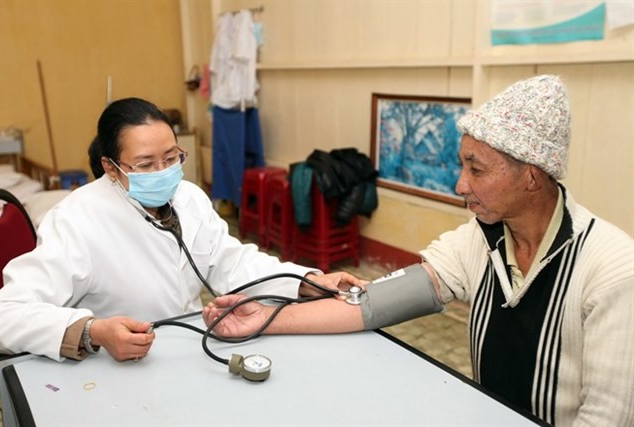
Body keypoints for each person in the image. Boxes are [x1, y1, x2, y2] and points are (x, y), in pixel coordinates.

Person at [203, 75, 634, 427]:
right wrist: (267, 318)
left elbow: (605, 418)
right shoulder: (480, 239)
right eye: (462, 165)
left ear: (532, 177)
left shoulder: (611, 268)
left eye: (476, 169)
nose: (460, 185)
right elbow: (373, 304)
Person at [0, 97, 362, 363]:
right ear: (111, 167)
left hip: (195, 349)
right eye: (145, 164)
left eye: (171, 158)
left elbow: (230, 262)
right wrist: (92, 332)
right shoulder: (76, 220)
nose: (164, 173)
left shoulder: (189, 198)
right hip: (119, 372)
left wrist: (307, 281)